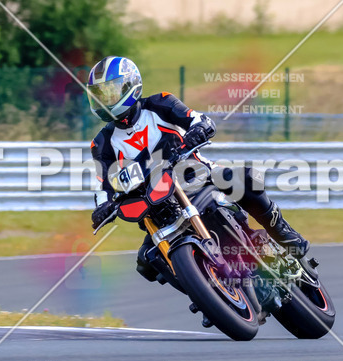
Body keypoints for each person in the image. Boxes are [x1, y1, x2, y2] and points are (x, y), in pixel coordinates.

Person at [86, 55, 309, 282]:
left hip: (196, 175)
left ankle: (283, 233)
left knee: (247, 179)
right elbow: (102, 184)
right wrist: (103, 206)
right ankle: (205, 294)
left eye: (111, 92)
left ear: (129, 85)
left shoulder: (160, 103)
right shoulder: (102, 143)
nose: (106, 100)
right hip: (156, 206)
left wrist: (200, 128)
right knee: (147, 262)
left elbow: (196, 118)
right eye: (100, 95)